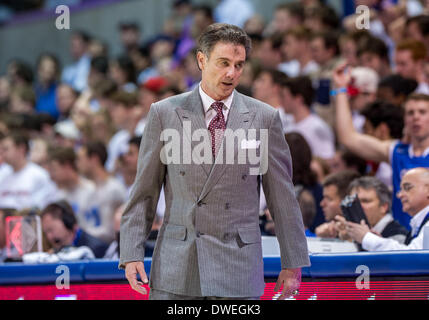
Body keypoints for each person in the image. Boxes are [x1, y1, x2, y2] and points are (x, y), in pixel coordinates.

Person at [119, 23, 310, 300]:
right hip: (177, 269)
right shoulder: (164, 114)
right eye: (223, 63)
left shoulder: (264, 118)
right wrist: (131, 252)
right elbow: (144, 192)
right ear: (201, 60)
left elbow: (282, 197)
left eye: (239, 65)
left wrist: (292, 262)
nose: (232, 73)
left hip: (238, 269)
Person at [332, 63, 429, 229]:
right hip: (403, 238)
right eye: (410, 113)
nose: (416, 117)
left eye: (422, 112)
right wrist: (341, 90)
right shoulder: (397, 150)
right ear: (404, 119)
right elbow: (348, 138)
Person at [342, 168, 429, 250]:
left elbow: (414, 259)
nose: (399, 195)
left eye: (407, 188)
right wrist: (376, 239)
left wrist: (367, 238)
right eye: (401, 190)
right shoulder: (418, 225)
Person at [76, 141, 127, 243]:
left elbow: (109, 232)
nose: (77, 164)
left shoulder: (113, 189)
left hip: (111, 249)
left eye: (81, 159)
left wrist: (78, 233)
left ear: (94, 159)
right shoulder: (89, 189)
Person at [336, 176, 408, 244]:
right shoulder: (347, 232)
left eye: (365, 201)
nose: (358, 207)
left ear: (383, 207)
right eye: (354, 202)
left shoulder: (398, 236)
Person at [280, 76, 335, 160]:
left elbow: (327, 160)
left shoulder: (317, 127)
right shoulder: (286, 122)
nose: (281, 101)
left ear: (298, 99)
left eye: (284, 96)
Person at [0, 132, 57, 210]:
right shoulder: (2, 173)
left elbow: (44, 206)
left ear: (21, 149)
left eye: (6, 149)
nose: (2, 153)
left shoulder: (39, 175)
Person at [41, 201, 109, 258]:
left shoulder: (95, 249)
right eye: (46, 232)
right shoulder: (56, 253)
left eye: (51, 230)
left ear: (67, 222)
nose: (49, 237)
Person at [315, 170, 361, 238]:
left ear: (347, 200)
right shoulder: (329, 231)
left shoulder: (371, 233)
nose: (322, 204)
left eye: (329, 199)